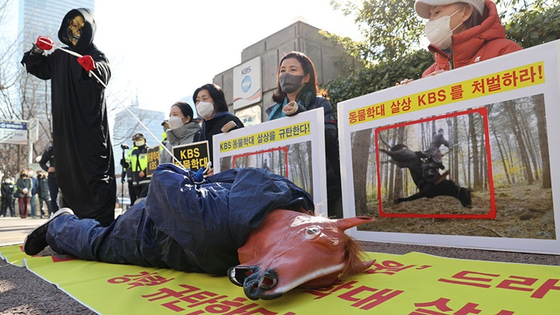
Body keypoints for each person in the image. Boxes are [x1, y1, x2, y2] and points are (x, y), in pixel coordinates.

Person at [23, 165, 313, 277]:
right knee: (96, 242)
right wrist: (189, 177)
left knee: (101, 235)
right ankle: (60, 224)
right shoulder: (211, 226)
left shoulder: (284, 195)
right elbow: (162, 178)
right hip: (143, 233)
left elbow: (234, 174)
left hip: (165, 226)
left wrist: (198, 181)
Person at [21, 8, 116, 226]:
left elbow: (104, 73)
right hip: (65, 129)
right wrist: (37, 50)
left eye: (81, 26)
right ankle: (74, 227)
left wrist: (93, 67)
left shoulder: (96, 54)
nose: (75, 30)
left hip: (89, 128)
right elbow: (34, 66)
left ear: (89, 29)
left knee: (94, 173)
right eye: (72, 24)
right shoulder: (60, 56)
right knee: (69, 174)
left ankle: (101, 226)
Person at [266, 51, 342, 218]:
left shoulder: (320, 104)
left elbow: (330, 138)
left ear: (306, 77)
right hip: (281, 189)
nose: (286, 75)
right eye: (282, 71)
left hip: (320, 187)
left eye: (293, 70)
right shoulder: (272, 112)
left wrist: (302, 115)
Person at [404, 0, 522, 83]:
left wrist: (454, 82)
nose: (430, 20)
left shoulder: (505, 51)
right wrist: (409, 93)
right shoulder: (430, 73)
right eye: (430, 15)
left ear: (465, 12)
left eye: (437, 12)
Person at [193, 83, 244, 163]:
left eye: (205, 99)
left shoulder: (230, 121)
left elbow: (241, 153)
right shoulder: (199, 132)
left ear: (216, 101)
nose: (200, 104)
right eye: (197, 101)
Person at [127, 133, 150, 200]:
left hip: (146, 180)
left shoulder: (149, 150)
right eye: (136, 140)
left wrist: (145, 171)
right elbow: (131, 165)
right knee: (138, 200)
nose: (137, 141)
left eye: (139, 139)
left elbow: (152, 163)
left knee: (145, 200)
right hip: (136, 180)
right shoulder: (134, 152)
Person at [39, 139, 59, 213]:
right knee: (53, 197)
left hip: (66, 176)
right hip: (53, 176)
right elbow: (42, 162)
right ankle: (56, 215)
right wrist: (47, 169)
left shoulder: (68, 147)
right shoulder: (50, 150)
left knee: (67, 197)